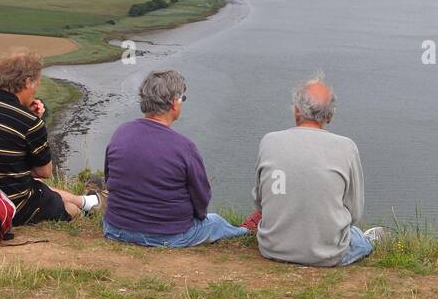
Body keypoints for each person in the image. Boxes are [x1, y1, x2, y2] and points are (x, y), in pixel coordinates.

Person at [102, 69, 248, 247]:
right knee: (215, 221)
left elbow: (109, 179)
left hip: (115, 228)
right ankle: (247, 232)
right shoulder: (184, 147)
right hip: (168, 236)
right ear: (174, 103)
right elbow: (201, 198)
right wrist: (196, 217)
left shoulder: (120, 133)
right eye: (182, 99)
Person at [249, 75, 385, 266]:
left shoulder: (269, 141)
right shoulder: (346, 148)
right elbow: (354, 212)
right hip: (327, 255)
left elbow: (259, 201)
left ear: (297, 110)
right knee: (355, 237)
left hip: (272, 249)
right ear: (330, 116)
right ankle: (368, 240)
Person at [0, 50, 99, 225]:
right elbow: (44, 172)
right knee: (69, 209)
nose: (36, 91)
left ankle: (86, 202)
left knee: (32, 184)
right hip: (8, 204)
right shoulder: (29, 121)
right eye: (37, 84)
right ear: (27, 82)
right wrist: (36, 121)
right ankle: (84, 211)